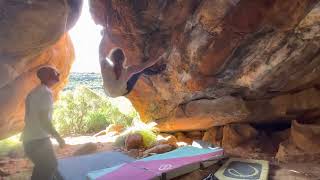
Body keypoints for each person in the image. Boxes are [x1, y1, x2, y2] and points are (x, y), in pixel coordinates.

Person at [21, 66, 65, 180]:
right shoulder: (45, 93)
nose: (58, 75)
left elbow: (27, 117)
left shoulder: (34, 92)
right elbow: (44, 120)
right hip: (38, 140)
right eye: (56, 73)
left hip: (30, 140)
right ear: (47, 77)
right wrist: (58, 137)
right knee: (49, 166)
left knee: (43, 167)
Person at [100, 48, 167, 97]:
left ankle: (151, 71)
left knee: (139, 70)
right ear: (124, 59)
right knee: (140, 71)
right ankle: (158, 71)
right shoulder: (128, 71)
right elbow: (147, 64)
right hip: (123, 91)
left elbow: (100, 52)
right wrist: (159, 54)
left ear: (112, 58)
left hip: (108, 92)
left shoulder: (105, 66)